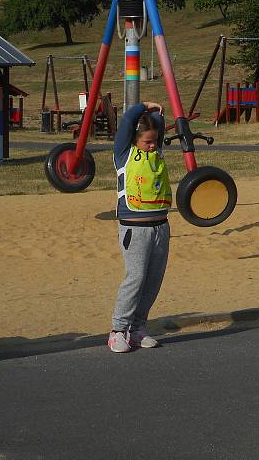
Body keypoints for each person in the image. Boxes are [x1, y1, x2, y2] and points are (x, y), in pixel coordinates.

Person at [108, 101, 172, 353]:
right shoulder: (123, 155)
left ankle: (137, 329)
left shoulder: (157, 153)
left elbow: (160, 131)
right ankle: (117, 331)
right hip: (135, 229)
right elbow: (125, 123)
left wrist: (158, 116)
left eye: (155, 140)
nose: (153, 145)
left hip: (160, 227)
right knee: (135, 279)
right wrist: (142, 106)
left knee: (153, 280)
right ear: (135, 140)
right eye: (147, 141)